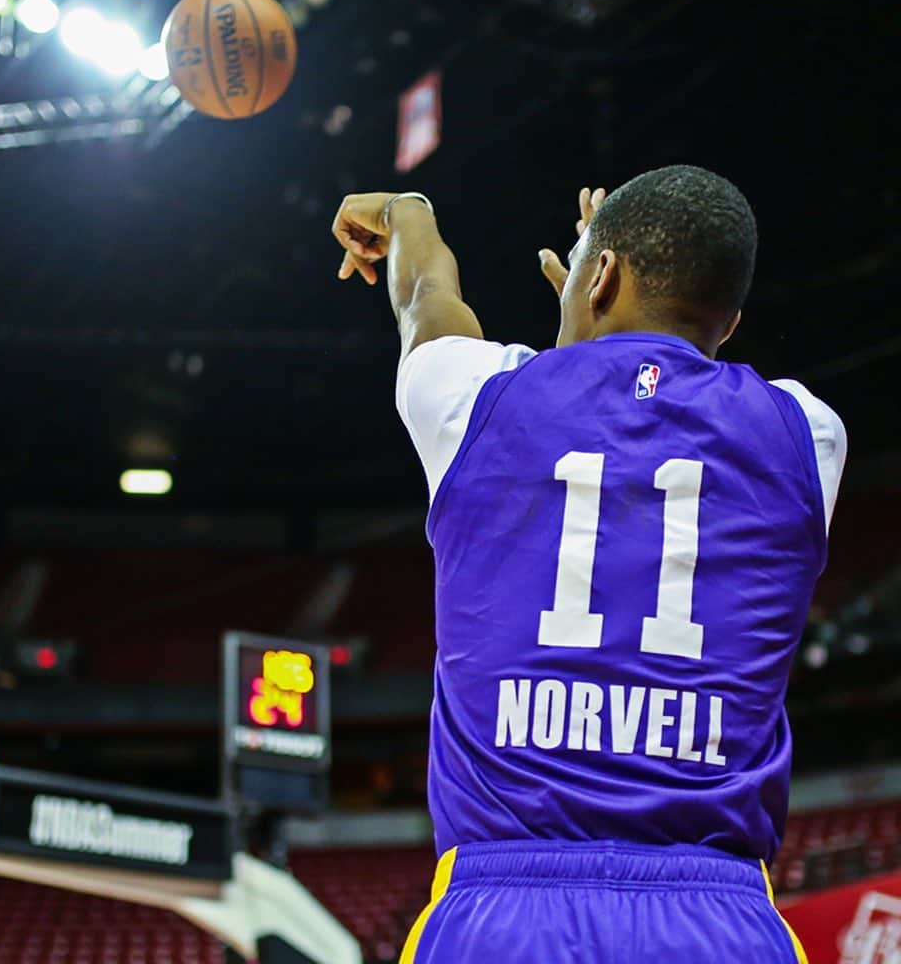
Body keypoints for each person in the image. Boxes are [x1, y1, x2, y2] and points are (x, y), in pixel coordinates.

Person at [330, 166, 846, 963]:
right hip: (719, 919)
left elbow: (426, 297)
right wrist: (600, 319)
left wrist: (410, 210)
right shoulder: (808, 435)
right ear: (733, 320)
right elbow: (657, 404)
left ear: (599, 274)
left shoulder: (480, 399)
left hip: (504, 911)